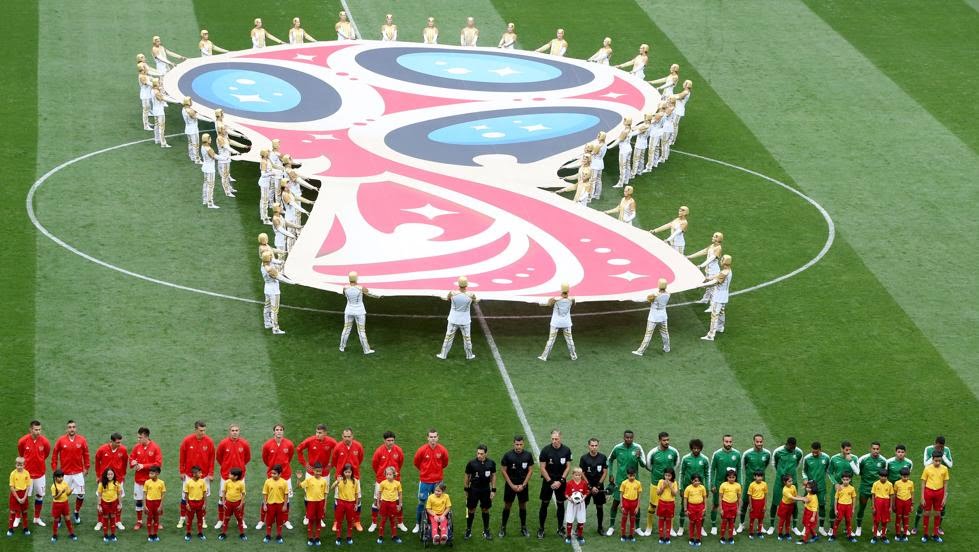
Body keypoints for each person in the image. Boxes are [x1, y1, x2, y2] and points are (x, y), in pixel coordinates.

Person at [605, 430, 645, 536]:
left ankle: (637, 527)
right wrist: (610, 474)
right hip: (620, 481)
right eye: (627, 438)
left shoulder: (638, 448)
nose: (629, 439)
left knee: (636, 505)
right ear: (624, 437)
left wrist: (639, 457)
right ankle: (611, 526)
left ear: (633, 437)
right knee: (616, 503)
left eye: (631, 438)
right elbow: (609, 460)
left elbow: (643, 465)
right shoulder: (617, 448)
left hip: (634, 482)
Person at [255, 425, 294, 530]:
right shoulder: (267, 445)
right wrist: (272, 470)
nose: (279, 431)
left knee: (287, 498)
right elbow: (265, 459)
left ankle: (286, 520)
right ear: (274, 432)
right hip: (271, 475)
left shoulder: (289, 444)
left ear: (283, 432)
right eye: (277, 430)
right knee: (267, 498)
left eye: (281, 430)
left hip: (285, 475)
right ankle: (262, 520)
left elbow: (289, 457)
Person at [177, 421, 215, 530]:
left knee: (203, 497)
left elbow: (212, 459)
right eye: (201, 430)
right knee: (185, 496)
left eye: (204, 430)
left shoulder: (209, 442)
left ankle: (202, 518)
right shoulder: (187, 441)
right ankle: (182, 517)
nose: (203, 432)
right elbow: (182, 457)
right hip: (189, 475)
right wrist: (182, 471)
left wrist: (211, 473)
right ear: (195, 429)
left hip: (204, 476)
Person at [51, 420, 89, 525]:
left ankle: (76, 512)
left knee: (81, 494)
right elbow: (55, 454)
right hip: (65, 474)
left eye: (73, 427)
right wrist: (54, 469)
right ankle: (58, 517)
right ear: (67, 429)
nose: (72, 429)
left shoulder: (82, 440)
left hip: (78, 473)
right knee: (61, 495)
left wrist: (86, 467)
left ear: (75, 428)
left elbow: (86, 454)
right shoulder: (61, 440)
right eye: (70, 427)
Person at [298, 425, 336, 528]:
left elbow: (338, 451)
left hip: (324, 473)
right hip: (311, 473)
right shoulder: (310, 440)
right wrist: (305, 464)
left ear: (325, 433)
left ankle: (320, 517)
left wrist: (331, 464)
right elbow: (299, 449)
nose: (317, 434)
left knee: (323, 495)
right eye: (316, 432)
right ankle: (307, 515)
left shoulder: (331, 442)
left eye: (320, 433)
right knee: (308, 494)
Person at [642, 432, 680, 537]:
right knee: (652, 507)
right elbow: (648, 466)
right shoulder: (653, 453)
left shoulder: (673, 451)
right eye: (664, 440)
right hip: (655, 483)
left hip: (670, 484)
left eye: (668, 440)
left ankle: (671, 528)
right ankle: (649, 527)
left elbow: (676, 464)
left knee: (670, 507)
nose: (667, 442)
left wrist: (669, 477)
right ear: (659, 441)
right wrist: (658, 475)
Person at [537, 429, 572, 539]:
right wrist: (551, 482)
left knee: (561, 504)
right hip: (548, 482)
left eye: (556, 439)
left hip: (561, 482)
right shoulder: (545, 450)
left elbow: (568, 467)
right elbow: (542, 468)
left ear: (560, 438)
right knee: (544, 504)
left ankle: (560, 528)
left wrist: (561, 481)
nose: (554, 441)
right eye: (552, 439)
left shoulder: (566, 450)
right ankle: (541, 528)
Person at [214, 424, 250, 531]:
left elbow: (247, 458)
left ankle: (241, 519)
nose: (235, 432)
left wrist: (240, 468)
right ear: (229, 431)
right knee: (222, 497)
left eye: (237, 430)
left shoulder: (244, 444)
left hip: (240, 476)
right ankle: (221, 520)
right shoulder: (223, 443)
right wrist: (226, 467)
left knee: (241, 497)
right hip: (226, 476)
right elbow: (219, 457)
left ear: (239, 431)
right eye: (233, 430)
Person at [412, 429, 449, 533]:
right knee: (421, 502)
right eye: (431, 437)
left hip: (438, 482)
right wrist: (424, 471)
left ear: (438, 437)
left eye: (434, 437)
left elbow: (445, 463)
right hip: (425, 481)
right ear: (427, 438)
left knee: (439, 503)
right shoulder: (422, 450)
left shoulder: (442, 450)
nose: (433, 439)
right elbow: (416, 462)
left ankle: (438, 524)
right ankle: (418, 524)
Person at [914, 436, 951, 534]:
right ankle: (915, 526)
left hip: (941, 483)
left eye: (942, 447)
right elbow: (925, 464)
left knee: (941, 508)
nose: (940, 448)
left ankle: (938, 528)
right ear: (935, 443)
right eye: (938, 446)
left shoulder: (946, 450)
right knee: (922, 506)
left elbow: (950, 465)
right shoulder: (928, 449)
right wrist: (934, 457)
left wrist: (942, 456)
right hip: (929, 484)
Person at [17, 420, 50, 529]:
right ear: (30, 429)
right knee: (23, 496)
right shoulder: (23, 441)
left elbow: (46, 454)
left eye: (39, 429)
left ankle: (37, 518)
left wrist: (39, 462)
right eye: (36, 430)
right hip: (26, 475)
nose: (38, 432)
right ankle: (18, 517)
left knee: (40, 495)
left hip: (40, 474)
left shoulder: (45, 442)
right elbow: (21, 455)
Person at [368, 431, 404, 532]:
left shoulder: (398, 450)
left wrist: (394, 475)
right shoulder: (379, 451)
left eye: (392, 440)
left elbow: (400, 463)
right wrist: (381, 474)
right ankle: (374, 523)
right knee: (376, 501)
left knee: (397, 501)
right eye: (388, 440)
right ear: (384, 440)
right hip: (381, 480)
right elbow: (375, 465)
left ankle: (400, 523)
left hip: (395, 480)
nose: (391, 442)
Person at [499, 435, 534, 538]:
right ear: (513, 444)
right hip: (511, 486)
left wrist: (523, 485)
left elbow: (530, 470)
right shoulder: (508, 455)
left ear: (523, 444)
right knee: (507, 505)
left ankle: (523, 527)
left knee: (522, 505)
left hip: (523, 486)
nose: (518, 446)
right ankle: (503, 527)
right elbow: (503, 471)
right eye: (517, 444)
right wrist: (512, 485)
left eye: (520, 444)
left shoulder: (528, 455)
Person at [436, 276, 477, 360]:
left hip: (453, 319)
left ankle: (443, 355)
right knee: (467, 338)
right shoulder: (471, 295)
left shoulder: (452, 293)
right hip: (465, 320)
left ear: (458, 284)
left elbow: (446, 299)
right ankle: (469, 355)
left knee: (448, 338)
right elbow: (475, 301)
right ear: (466, 285)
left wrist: (440, 296)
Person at [736, 434, 770, 534]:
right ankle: (741, 524)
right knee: (745, 503)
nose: (759, 443)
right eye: (757, 442)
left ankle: (761, 525)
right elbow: (742, 467)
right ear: (753, 442)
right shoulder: (747, 454)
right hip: (749, 483)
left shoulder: (767, 454)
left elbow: (766, 465)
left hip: (762, 484)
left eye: (761, 441)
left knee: (761, 504)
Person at [768, 437, 802, 535]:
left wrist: (791, 476)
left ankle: (794, 527)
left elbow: (798, 464)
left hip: (793, 482)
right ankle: (771, 525)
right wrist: (780, 475)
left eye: (794, 447)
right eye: (791, 447)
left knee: (794, 503)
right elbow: (774, 463)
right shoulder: (778, 452)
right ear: (787, 444)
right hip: (780, 482)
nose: (793, 448)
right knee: (775, 502)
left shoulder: (798, 452)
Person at [708, 435, 741, 536]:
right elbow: (712, 469)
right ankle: (713, 525)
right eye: (726, 442)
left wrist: (739, 483)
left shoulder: (737, 454)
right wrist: (712, 484)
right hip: (719, 484)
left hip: (733, 484)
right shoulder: (717, 454)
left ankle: (732, 526)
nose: (728, 444)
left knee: (733, 505)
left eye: (730, 442)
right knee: (716, 505)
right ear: (723, 442)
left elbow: (739, 469)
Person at [94, 433, 128, 531]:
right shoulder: (102, 449)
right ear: (111, 441)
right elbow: (97, 461)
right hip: (104, 479)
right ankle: (100, 521)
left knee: (118, 499)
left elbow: (125, 462)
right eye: (117, 442)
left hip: (118, 479)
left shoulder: (123, 450)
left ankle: (118, 521)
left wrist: (123, 474)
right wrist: (97, 475)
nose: (119, 444)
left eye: (120, 442)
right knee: (101, 499)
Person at [676, 439, 709, 537]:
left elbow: (707, 474)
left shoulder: (704, 459)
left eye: (698, 448)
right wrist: (681, 488)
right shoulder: (686, 458)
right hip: (687, 488)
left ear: (701, 449)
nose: (696, 450)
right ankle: (681, 527)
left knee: (702, 508)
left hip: (700, 489)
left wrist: (706, 488)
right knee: (683, 507)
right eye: (694, 448)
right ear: (691, 448)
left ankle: (701, 527)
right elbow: (681, 473)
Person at [129, 428, 160, 531]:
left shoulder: (155, 447)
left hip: (151, 481)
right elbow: (131, 459)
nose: (138, 439)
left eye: (140, 437)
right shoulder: (136, 447)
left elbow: (158, 464)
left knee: (153, 501)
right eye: (138, 437)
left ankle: (155, 521)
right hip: (138, 480)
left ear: (146, 436)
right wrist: (133, 463)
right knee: (139, 501)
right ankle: (139, 521)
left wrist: (143, 466)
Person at [631, 278, 672, 356]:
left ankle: (640, 351)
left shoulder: (654, 295)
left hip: (653, 318)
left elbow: (641, 300)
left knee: (648, 335)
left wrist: (631, 298)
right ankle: (667, 348)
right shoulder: (669, 294)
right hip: (663, 316)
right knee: (665, 333)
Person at [463, 444, 496, 540]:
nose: (479, 455)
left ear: (486, 453)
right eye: (478, 453)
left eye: (481, 454)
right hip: (474, 489)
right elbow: (467, 476)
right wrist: (466, 488)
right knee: (471, 509)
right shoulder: (471, 463)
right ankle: (468, 530)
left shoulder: (491, 463)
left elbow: (493, 475)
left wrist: (493, 489)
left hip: (485, 489)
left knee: (485, 509)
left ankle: (486, 530)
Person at [538, 283, 577, 361]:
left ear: (561, 290)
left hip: (555, 323)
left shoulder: (555, 299)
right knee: (570, 340)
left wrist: (540, 303)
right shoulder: (572, 299)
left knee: (551, 340)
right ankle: (573, 356)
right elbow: (574, 304)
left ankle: (544, 356)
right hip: (566, 322)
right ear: (568, 290)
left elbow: (547, 304)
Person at [855, 441, 886, 536]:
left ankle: (875, 526)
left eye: (877, 449)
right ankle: (858, 527)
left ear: (879, 449)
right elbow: (858, 472)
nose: (876, 451)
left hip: (877, 490)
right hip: (865, 488)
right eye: (874, 449)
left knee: (876, 510)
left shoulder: (883, 461)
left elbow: (884, 474)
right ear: (870, 449)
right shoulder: (863, 459)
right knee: (862, 508)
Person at [827, 440, 858, 536]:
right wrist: (835, 483)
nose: (848, 452)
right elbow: (830, 472)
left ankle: (847, 528)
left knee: (848, 508)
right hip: (837, 487)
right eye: (846, 450)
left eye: (849, 450)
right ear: (841, 449)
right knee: (833, 506)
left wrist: (851, 461)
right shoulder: (834, 458)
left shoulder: (854, 458)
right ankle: (832, 527)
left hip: (849, 487)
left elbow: (857, 472)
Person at [340, 272, 375, 354]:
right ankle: (366, 350)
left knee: (346, 329)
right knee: (361, 331)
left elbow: (344, 294)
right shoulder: (361, 288)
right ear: (356, 279)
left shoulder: (345, 287)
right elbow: (368, 292)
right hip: (359, 312)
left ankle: (341, 347)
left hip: (349, 310)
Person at [578, 438, 608, 535]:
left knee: (599, 507)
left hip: (599, 486)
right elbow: (582, 473)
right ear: (589, 446)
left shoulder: (603, 457)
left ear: (598, 446)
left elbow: (604, 472)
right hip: (587, 486)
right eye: (592, 445)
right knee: (583, 507)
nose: (594, 447)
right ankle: (579, 527)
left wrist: (598, 485)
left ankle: (600, 527)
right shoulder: (584, 458)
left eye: (595, 445)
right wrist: (590, 486)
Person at [687, 232, 724, 308]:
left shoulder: (718, 248)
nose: (712, 238)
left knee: (713, 289)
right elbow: (703, 251)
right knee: (708, 286)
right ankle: (705, 299)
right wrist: (690, 256)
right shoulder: (712, 246)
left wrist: (701, 266)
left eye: (714, 237)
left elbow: (711, 258)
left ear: (718, 239)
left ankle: (713, 306)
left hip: (714, 271)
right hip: (708, 270)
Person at [701, 255, 733, 341]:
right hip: (724, 295)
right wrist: (707, 278)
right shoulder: (728, 271)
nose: (720, 260)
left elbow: (715, 282)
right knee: (722, 312)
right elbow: (717, 276)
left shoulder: (724, 273)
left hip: (718, 296)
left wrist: (702, 285)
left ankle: (710, 335)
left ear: (724, 262)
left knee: (714, 315)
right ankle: (720, 327)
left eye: (722, 259)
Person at [801, 441, 830, 536]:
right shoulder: (807, 458)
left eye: (816, 452)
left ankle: (821, 528)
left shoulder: (826, 458)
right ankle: (805, 527)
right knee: (807, 506)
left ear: (820, 450)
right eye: (813, 451)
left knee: (821, 506)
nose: (814, 453)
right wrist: (805, 479)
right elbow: (803, 471)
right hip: (810, 488)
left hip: (821, 487)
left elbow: (828, 471)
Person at [919, 450, 948, 543]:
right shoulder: (927, 468)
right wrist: (922, 496)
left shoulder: (944, 469)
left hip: (939, 493)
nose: (938, 462)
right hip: (928, 492)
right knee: (926, 512)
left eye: (939, 461)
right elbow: (923, 482)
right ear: (932, 459)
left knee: (938, 513)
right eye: (936, 461)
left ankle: (935, 534)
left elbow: (945, 483)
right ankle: (925, 534)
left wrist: (944, 497)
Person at [261, 251, 290, 335]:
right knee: (274, 310)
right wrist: (292, 282)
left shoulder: (263, 265)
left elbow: (273, 261)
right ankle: (276, 329)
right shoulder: (270, 269)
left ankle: (267, 323)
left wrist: (280, 261)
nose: (271, 257)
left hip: (267, 289)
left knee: (267, 306)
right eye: (270, 256)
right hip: (274, 291)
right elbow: (280, 278)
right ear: (268, 258)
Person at [332, 463, 361, 545]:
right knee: (339, 520)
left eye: (349, 472)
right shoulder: (340, 480)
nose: (348, 474)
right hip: (341, 503)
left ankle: (349, 536)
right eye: (346, 472)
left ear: (352, 472)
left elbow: (356, 494)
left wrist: (356, 504)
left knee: (349, 520)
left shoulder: (355, 481)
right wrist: (337, 482)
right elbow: (332, 488)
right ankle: (338, 537)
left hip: (351, 504)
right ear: (343, 472)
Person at [300, 463, 327, 546]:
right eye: (316, 471)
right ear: (313, 471)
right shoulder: (309, 480)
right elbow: (300, 486)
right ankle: (310, 538)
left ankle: (317, 538)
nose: (318, 473)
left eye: (319, 471)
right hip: (311, 503)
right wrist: (298, 479)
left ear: (322, 471)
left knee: (318, 520)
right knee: (311, 520)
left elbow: (325, 493)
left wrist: (325, 505)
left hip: (320, 502)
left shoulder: (324, 481)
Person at [261, 465, 289, 544]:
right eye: (272, 473)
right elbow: (265, 493)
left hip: (280, 505)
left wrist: (285, 505)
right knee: (269, 521)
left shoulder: (284, 482)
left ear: (280, 474)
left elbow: (286, 494)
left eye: (275, 473)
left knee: (279, 521)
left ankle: (279, 536)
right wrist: (265, 504)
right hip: (270, 505)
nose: (272, 475)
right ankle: (268, 535)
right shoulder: (268, 481)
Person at [375, 467, 403, 544]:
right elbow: (379, 493)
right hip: (384, 503)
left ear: (394, 475)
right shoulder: (383, 483)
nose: (388, 476)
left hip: (393, 504)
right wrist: (378, 502)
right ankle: (380, 536)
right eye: (387, 474)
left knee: (393, 520)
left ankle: (394, 536)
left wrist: (399, 504)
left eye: (390, 474)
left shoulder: (397, 483)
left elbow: (400, 494)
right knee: (383, 520)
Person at [829, 472, 857, 542]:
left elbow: (854, 498)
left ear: (850, 480)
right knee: (838, 520)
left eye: (847, 480)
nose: (845, 481)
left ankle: (849, 535)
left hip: (848, 507)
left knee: (848, 520)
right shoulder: (839, 488)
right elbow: (836, 499)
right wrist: (835, 509)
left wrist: (853, 508)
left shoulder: (852, 488)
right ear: (841, 479)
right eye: (844, 479)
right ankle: (833, 535)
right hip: (840, 506)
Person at [182, 466, 208, 541]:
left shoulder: (202, 482)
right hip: (191, 503)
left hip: (200, 503)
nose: (201, 474)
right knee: (189, 519)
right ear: (194, 474)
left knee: (200, 519)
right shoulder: (188, 482)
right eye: (199, 473)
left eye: (200, 472)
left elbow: (204, 493)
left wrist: (204, 504)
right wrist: (187, 504)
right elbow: (186, 494)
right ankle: (188, 533)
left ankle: (200, 532)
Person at [218, 467, 244, 541]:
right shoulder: (227, 482)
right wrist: (223, 502)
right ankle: (223, 533)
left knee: (239, 518)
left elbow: (243, 494)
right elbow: (224, 492)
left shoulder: (241, 484)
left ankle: (242, 533)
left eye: (230, 474)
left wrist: (241, 504)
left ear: (236, 477)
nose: (229, 475)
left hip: (237, 503)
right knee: (226, 518)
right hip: (228, 503)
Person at [564, 467, 589, 544]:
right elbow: (566, 494)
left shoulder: (584, 483)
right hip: (571, 504)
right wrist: (570, 499)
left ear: (581, 475)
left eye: (579, 475)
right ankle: (568, 536)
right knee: (569, 519)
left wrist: (583, 498)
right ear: (572, 475)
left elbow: (586, 492)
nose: (577, 476)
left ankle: (580, 535)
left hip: (581, 504)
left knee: (581, 519)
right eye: (576, 475)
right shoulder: (569, 483)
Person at [49, 469, 75, 542]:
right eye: (59, 477)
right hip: (57, 505)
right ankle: (54, 534)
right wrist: (61, 493)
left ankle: (71, 533)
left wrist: (70, 491)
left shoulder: (64, 483)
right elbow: (55, 497)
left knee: (67, 518)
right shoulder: (53, 486)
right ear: (55, 478)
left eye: (62, 477)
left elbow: (67, 494)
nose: (61, 478)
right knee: (56, 519)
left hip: (65, 504)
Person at [717, 469, 742, 544]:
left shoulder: (738, 486)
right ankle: (722, 537)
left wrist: (739, 509)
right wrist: (721, 508)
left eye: (733, 477)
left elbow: (739, 498)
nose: (731, 479)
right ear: (727, 477)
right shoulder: (723, 485)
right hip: (725, 505)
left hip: (733, 506)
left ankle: (731, 537)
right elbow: (720, 497)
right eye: (730, 477)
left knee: (732, 522)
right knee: (724, 522)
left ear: (735, 478)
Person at [8, 457, 31, 537]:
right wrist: (18, 498)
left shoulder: (27, 473)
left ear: (24, 465)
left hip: (24, 494)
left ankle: (25, 528)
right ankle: (10, 528)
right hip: (15, 495)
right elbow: (11, 487)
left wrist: (24, 497)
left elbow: (28, 486)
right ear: (15, 465)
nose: (19, 467)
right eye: (18, 465)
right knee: (13, 512)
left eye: (21, 465)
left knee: (24, 512)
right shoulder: (13, 474)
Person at [97, 468, 121, 542]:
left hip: (114, 503)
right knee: (106, 518)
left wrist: (120, 504)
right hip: (105, 504)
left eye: (111, 474)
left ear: (114, 475)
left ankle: (113, 535)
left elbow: (119, 494)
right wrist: (99, 505)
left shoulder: (116, 483)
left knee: (113, 518)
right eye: (108, 474)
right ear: (106, 475)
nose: (110, 476)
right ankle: (106, 535)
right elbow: (99, 495)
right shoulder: (101, 484)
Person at [869, 469, 894, 544]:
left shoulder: (890, 484)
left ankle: (883, 535)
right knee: (876, 520)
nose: (883, 478)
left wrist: (890, 507)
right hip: (878, 503)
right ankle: (875, 536)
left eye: (885, 476)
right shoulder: (875, 484)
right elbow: (873, 495)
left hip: (886, 503)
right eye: (882, 476)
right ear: (879, 476)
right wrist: (873, 506)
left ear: (887, 477)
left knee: (884, 521)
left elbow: (891, 496)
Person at [655, 467, 678, 544]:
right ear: (664, 475)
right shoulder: (661, 481)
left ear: (672, 476)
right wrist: (663, 487)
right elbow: (658, 493)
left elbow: (674, 494)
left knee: (668, 520)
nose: (667, 477)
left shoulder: (674, 483)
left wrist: (670, 486)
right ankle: (661, 536)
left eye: (669, 476)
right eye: (666, 475)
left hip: (670, 504)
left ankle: (667, 537)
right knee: (661, 519)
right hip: (662, 503)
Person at [683, 473, 707, 546]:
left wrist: (705, 507)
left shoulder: (702, 488)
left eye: (698, 481)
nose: (697, 482)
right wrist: (685, 509)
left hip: (700, 507)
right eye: (695, 481)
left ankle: (698, 538)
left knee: (699, 523)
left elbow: (705, 498)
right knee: (692, 523)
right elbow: (685, 499)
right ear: (691, 480)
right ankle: (691, 537)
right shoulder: (688, 488)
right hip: (691, 507)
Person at [618, 468, 641, 542]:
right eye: (630, 476)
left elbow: (639, 496)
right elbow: (621, 494)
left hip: (634, 503)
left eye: (633, 476)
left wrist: (637, 507)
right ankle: (623, 535)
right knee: (624, 519)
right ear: (627, 475)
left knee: (632, 519)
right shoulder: (624, 483)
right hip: (626, 502)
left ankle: (631, 535)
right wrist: (621, 505)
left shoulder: (638, 483)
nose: (632, 477)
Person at [143, 466, 165, 542]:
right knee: (149, 519)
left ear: (157, 473)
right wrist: (145, 505)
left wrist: (161, 505)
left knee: (156, 519)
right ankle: (150, 535)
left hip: (157, 503)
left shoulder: (161, 483)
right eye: (149, 473)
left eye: (152, 473)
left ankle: (155, 534)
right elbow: (145, 494)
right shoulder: (147, 482)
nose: (150, 475)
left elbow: (163, 495)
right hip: (149, 503)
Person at [792, 480, 818, 544]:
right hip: (807, 511)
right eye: (807, 487)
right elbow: (805, 498)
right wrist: (798, 496)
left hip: (811, 513)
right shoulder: (810, 494)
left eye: (809, 488)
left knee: (807, 526)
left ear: (813, 488)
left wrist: (813, 517)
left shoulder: (813, 497)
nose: (807, 489)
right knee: (808, 525)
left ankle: (804, 540)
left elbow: (814, 509)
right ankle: (815, 536)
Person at [610, 117, 633, 188]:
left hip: (624, 150)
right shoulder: (630, 129)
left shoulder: (625, 131)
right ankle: (626, 179)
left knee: (622, 167)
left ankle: (620, 183)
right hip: (628, 148)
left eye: (625, 120)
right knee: (627, 165)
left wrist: (609, 147)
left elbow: (618, 140)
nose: (624, 121)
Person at [745, 470, 768, 539]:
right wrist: (750, 505)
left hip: (761, 503)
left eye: (761, 476)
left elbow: (765, 495)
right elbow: (749, 496)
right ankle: (751, 532)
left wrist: (765, 505)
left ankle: (759, 532)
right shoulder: (752, 485)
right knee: (752, 518)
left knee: (761, 518)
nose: (760, 478)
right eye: (758, 476)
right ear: (754, 477)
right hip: (754, 503)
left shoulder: (764, 484)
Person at [893, 468, 914, 541]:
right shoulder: (897, 483)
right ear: (901, 476)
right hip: (899, 501)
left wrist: (912, 504)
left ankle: (905, 534)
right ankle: (897, 534)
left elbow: (912, 494)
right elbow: (894, 494)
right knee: (898, 517)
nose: (906, 478)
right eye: (904, 476)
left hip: (907, 502)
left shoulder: (911, 483)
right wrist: (893, 504)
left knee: (906, 518)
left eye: (907, 476)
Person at [774, 474, 797, 541]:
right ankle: (780, 534)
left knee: (788, 520)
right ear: (784, 482)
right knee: (782, 520)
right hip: (784, 506)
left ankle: (787, 533)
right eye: (789, 481)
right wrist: (803, 499)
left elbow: (796, 495)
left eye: (791, 481)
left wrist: (803, 498)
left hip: (791, 506)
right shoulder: (785, 490)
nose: (791, 482)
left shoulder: (793, 487)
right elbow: (792, 497)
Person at [182, 97, 202, 164]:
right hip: (193, 129)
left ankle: (191, 156)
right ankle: (197, 159)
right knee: (195, 144)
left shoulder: (183, 109)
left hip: (188, 128)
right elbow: (196, 116)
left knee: (190, 143)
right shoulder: (190, 111)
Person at [137, 62, 154, 131]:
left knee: (148, 108)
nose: (147, 69)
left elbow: (150, 79)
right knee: (145, 110)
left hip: (147, 94)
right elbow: (146, 83)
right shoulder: (141, 76)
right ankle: (146, 126)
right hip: (145, 95)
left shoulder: (144, 75)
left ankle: (147, 123)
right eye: (145, 68)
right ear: (142, 70)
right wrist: (155, 85)